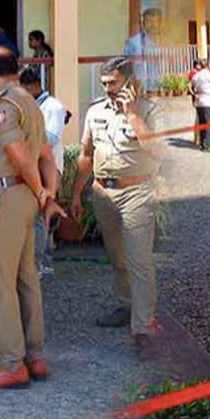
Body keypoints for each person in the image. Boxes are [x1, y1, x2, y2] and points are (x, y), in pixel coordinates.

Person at [0, 47, 64, 390]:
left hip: (5, 195)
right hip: (22, 196)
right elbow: (47, 155)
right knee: (25, 278)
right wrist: (48, 194)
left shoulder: (3, 105)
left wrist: (40, 192)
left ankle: (9, 363)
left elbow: (20, 156)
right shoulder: (31, 103)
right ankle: (33, 356)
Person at [68, 56, 164, 354]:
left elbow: (158, 150)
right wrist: (75, 193)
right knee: (118, 257)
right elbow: (86, 153)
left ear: (130, 82)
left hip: (136, 191)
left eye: (114, 83)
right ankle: (127, 306)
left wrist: (133, 114)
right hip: (103, 192)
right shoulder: (96, 111)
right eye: (105, 84)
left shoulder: (149, 109)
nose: (109, 89)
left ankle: (144, 327)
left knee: (140, 260)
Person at [20, 66, 68, 277]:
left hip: (49, 166)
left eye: (23, 89)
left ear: (34, 86)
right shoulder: (32, 106)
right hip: (35, 165)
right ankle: (40, 260)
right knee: (37, 214)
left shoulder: (53, 107)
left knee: (42, 215)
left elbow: (52, 137)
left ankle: (41, 263)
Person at [123, 8, 162, 91]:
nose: (153, 25)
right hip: (141, 90)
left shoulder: (166, 43)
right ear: (143, 23)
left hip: (162, 90)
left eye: (155, 21)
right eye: (149, 21)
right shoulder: (133, 43)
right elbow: (126, 69)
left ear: (160, 23)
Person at [190, 60, 210, 152]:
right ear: (207, 65)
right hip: (208, 101)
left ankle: (202, 144)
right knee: (209, 123)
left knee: (202, 123)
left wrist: (196, 94)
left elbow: (191, 87)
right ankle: (207, 145)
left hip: (199, 101)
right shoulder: (208, 74)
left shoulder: (196, 76)